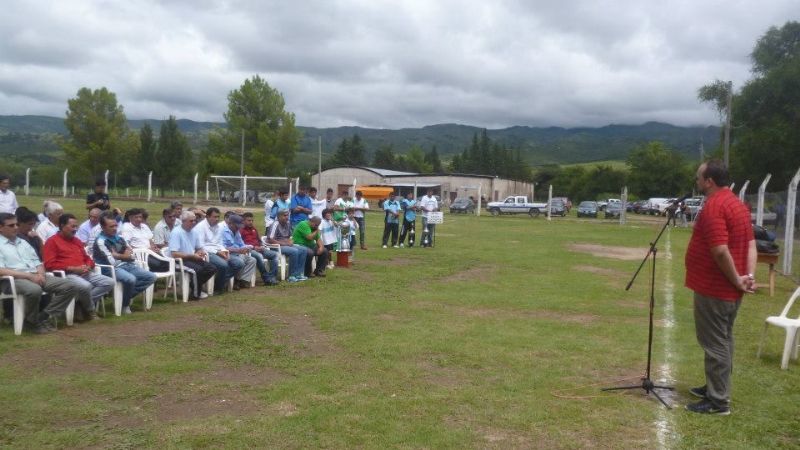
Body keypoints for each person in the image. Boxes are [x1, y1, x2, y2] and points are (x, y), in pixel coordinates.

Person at [684, 160, 756, 416]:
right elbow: (750, 244)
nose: (696, 181)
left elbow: (719, 249)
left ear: (709, 181)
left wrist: (738, 279)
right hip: (728, 288)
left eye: (698, 178)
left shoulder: (715, 206)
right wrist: (748, 276)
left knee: (715, 343)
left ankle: (718, 401)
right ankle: (715, 387)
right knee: (722, 340)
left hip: (715, 288)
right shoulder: (737, 204)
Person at [0, 212, 81, 333]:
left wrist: (41, 274)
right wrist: (29, 276)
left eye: (17, 224)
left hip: (34, 275)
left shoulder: (23, 242)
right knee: (34, 290)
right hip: (11, 279)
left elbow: (38, 262)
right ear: (1, 227)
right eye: (11, 225)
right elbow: (1, 270)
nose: (16, 227)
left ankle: (42, 317)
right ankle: (32, 323)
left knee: (70, 286)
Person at [43, 213, 114, 316]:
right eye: (72, 226)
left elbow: (88, 258)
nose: (75, 229)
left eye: (76, 226)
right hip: (67, 274)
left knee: (109, 282)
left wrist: (88, 266)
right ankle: (90, 311)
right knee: (86, 286)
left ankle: (80, 304)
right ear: (62, 226)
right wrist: (72, 268)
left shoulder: (76, 241)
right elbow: (49, 264)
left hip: (84, 272)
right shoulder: (52, 242)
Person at [94, 213, 157, 315]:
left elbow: (131, 254)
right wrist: (124, 256)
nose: (115, 228)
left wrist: (118, 255)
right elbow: (112, 262)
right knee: (130, 279)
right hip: (109, 269)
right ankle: (125, 304)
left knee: (151, 277)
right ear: (103, 227)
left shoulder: (119, 238)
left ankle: (123, 297)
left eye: (115, 225)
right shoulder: (101, 241)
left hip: (127, 265)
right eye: (111, 226)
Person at [166, 211, 217, 300]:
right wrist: (192, 256)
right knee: (197, 270)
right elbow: (174, 254)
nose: (194, 223)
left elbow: (198, 247)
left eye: (195, 221)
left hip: (191, 258)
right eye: (191, 221)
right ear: (184, 221)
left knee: (212, 268)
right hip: (178, 261)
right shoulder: (176, 232)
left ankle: (194, 285)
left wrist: (201, 251)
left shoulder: (194, 231)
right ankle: (195, 294)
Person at [194, 207, 239, 293]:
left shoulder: (219, 227)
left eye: (218, 217)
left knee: (238, 263)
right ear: (207, 216)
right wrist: (217, 252)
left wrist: (224, 251)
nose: (217, 219)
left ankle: (218, 283)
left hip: (219, 250)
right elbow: (200, 246)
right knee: (224, 265)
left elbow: (220, 243)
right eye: (214, 217)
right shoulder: (200, 227)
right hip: (207, 252)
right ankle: (219, 287)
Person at [120, 208, 170, 272]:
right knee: (162, 264)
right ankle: (148, 273)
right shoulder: (127, 227)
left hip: (151, 252)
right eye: (136, 217)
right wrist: (146, 250)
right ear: (130, 218)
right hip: (140, 255)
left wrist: (153, 247)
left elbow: (150, 239)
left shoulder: (144, 226)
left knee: (168, 260)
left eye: (140, 217)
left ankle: (152, 271)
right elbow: (127, 245)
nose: (139, 219)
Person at [266, 209, 307, 282]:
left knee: (304, 249)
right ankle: (291, 275)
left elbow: (291, 236)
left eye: (287, 215)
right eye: (284, 215)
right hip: (276, 247)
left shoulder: (288, 224)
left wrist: (291, 241)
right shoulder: (275, 224)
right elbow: (270, 239)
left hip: (287, 245)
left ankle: (298, 274)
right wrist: (285, 243)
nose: (287, 217)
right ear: (279, 216)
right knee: (294, 251)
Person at [239, 212, 279, 286]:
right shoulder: (241, 230)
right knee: (259, 256)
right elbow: (240, 244)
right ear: (243, 221)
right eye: (249, 220)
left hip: (260, 248)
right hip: (250, 250)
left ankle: (272, 277)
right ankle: (266, 278)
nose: (251, 222)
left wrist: (261, 246)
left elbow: (259, 240)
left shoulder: (254, 229)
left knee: (275, 254)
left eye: (252, 220)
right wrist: (254, 247)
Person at [219, 213, 258, 290]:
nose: (238, 228)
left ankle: (243, 280)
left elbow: (241, 244)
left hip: (237, 253)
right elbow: (222, 247)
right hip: (227, 254)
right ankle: (235, 281)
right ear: (230, 223)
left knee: (252, 260)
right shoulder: (223, 232)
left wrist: (247, 248)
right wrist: (238, 250)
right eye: (237, 226)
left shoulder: (236, 232)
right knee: (240, 261)